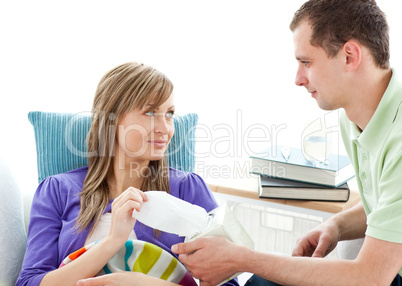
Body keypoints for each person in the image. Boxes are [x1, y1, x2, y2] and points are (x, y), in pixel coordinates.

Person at [172, 0, 402, 285]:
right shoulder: (355, 116)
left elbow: (370, 277)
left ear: (350, 56)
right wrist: (336, 225)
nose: (298, 79)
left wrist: (241, 258)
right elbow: (386, 206)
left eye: (306, 62)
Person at [17, 62, 239, 286]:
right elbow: (29, 282)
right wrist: (113, 241)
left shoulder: (188, 189)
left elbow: (227, 283)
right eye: (151, 112)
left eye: (169, 113)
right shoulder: (56, 190)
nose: (165, 128)